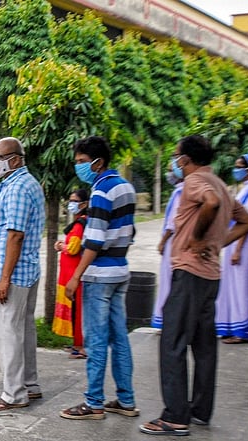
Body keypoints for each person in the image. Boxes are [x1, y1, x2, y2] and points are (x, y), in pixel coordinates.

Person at [140, 135, 248, 436]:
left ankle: (176, 416)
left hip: (189, 272)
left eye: (176, 156)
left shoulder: (195, 182)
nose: (175, 162)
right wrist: (217, 244)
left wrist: (199, 238)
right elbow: (247, 221)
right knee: (204, 346)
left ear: (185, 159)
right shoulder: (220, 183)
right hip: (210, 275)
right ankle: (200, 409)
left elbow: (211, 203)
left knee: (173, 342)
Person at [60, 136, 138, 420]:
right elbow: (130, 232)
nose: (79, 167)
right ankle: (126, 400)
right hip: (120, 270)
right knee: (119, 339)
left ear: (98, 162)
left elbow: (93, 240)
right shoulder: (126, 187)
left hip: (99, 275)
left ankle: (93, 402)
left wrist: (75, 277)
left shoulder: (101, 191)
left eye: (82, 161)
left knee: (95, 340)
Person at [0, 137, 45, 413]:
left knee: (8, 334)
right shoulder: (21, 184)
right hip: (24, 271)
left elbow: (15, 235)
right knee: (23, 331)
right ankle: (29, 384)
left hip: (11, 274)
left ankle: (14, 393)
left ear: (16, 159)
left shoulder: (18, 188)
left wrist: (4, 279)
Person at [215, 154, 248, 344]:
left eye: (240, 167)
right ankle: (231, 327)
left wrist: (237, 249)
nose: (236, 170)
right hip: (236, 244)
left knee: (242, 288)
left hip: (245, 246)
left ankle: (241, 331)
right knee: (232, 286)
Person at [52, 189, 89, 359]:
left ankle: (80, 346)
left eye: (74, 201)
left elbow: (74, 248)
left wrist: (61, 246)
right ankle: (76, 342)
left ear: (84, 204)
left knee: (77, 310)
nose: (71, 204)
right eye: (70, 200)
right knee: (73, 308)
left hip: (74, 273)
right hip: (69, 272)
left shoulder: (81, 223)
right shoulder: (78, 222)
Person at [152, 172, 184, 330]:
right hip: (178, 242)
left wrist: (163, 241)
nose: (169, 173)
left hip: (173, 242)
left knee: (169, 281)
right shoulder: (180, 190)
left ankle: (169, 321)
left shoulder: (181, 192)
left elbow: (172, 222)